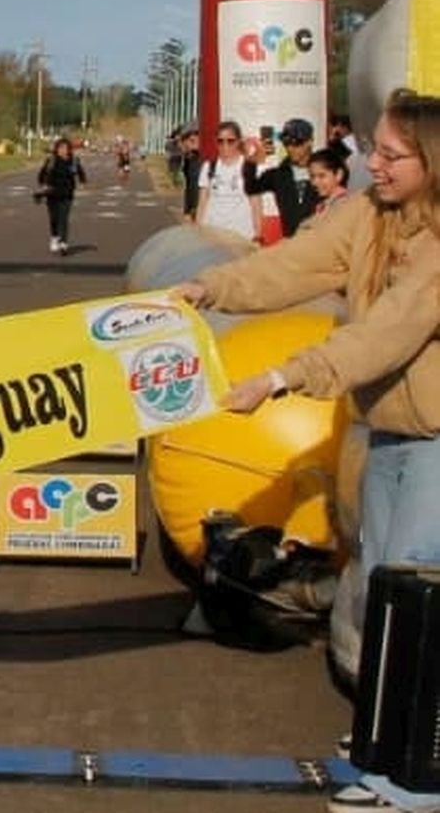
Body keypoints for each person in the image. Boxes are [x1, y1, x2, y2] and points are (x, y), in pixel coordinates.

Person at [176, 89, 440, 813]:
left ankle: (419, 779)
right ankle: (389, 739)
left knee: (420, 602)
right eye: (374, 149)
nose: (372, 164)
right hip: (390, 430)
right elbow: (293, 266)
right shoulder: (368, 215)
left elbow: (383, 334)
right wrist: (209, 288)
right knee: (387, 587)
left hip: (437, 444)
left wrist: (282, 378)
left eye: (390, 154)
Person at [241, 118, 319, 241]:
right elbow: (251, 188)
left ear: (309, 142)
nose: (290, 148)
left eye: (296, 143)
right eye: (287, 143)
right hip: (290, 245)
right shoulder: (278, 174)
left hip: (320, 246)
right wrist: (251, 162)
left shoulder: (324, 170)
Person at [195, 121, 260, 243]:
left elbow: (256, 205)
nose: (225, 145)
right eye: (220, 141)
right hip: (212, 236)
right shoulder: (208, 167)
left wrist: (257, 236)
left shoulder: (249, 168)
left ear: (238, 141)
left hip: (241, 237)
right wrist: (198, 231)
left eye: (230, 141)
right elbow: (202, 203)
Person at [36, 136, 87, 255]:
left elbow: (80, 172)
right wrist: (42, 184)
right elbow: (42, 173)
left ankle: (63, 242)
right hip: (52, 193)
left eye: (66, 148)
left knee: (64, 218)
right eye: (61, 148)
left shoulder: (74, 160)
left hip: (67, 193)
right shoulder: (51, 160)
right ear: (57, 149)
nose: (63, 150)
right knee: (54, 218)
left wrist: (83, 181)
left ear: (69, 149)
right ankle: (54, 237)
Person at [308, 147, 350, 216]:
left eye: (322, 176)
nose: (315, 182)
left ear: (338, 175)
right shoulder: (322, 204)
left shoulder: (344, 204)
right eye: (312, 177)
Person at [178, 128, 202, 223]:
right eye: (189, 141)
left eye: (193, 141)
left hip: (201, 207)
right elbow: (188, 187)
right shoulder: (189, 160)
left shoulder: (203, 161)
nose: (188, 144)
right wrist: (187, 210)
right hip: (193, 206)